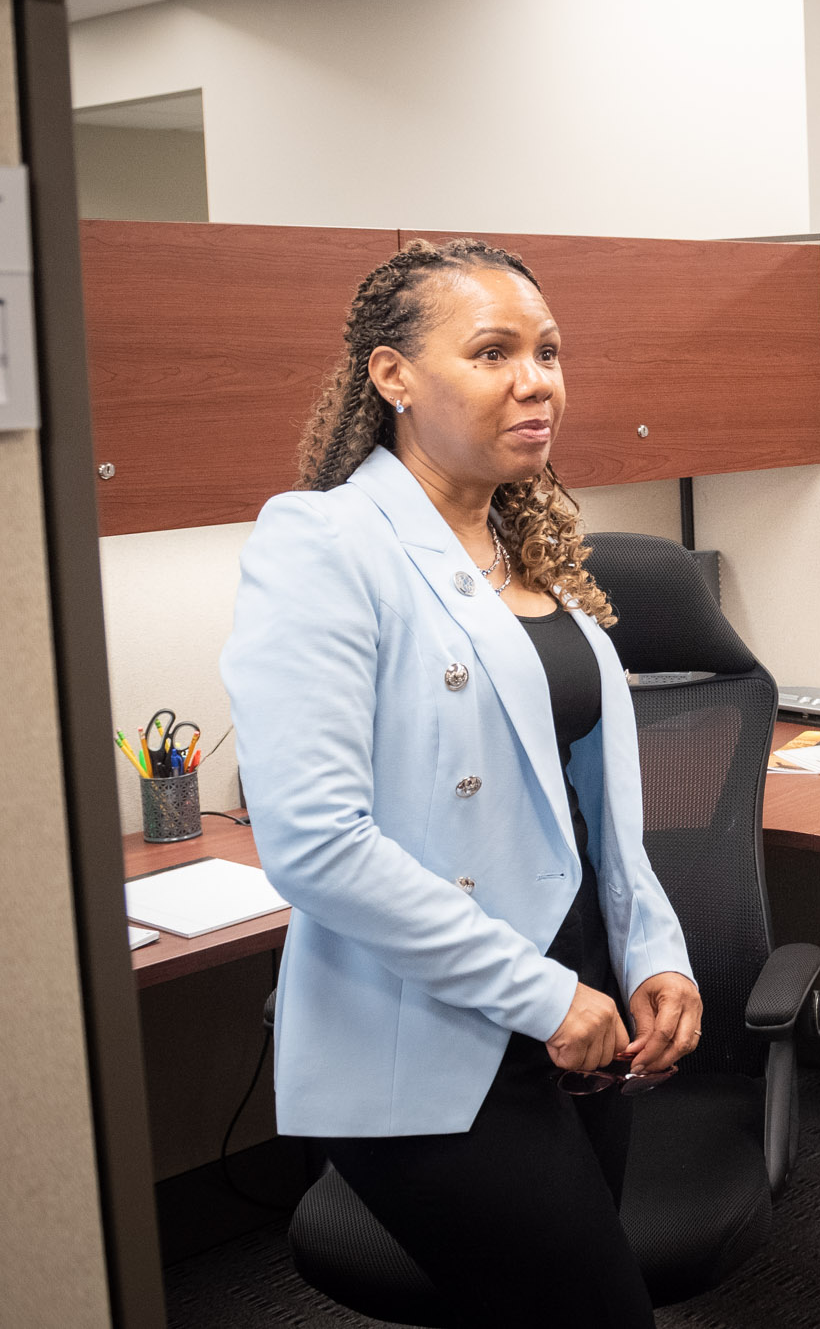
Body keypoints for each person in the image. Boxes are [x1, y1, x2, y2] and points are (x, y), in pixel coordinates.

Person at [223, 237, 701, 1329]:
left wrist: (653, 950)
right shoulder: (323, 544)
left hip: (586, 1015)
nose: (537, 380)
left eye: (547, 350)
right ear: (392, 376)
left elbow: (590, 806)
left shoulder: (526, 542)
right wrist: (542, 995)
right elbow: (316, 845)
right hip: (441, 1031)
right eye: (492, 351)